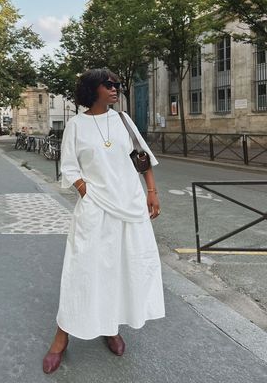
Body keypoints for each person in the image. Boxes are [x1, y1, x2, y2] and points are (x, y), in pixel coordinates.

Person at [43, 68, 165, 374]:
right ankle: (62, 336)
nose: (115, 89)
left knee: (123, 268)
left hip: (130, 208)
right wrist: (88, 193)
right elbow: (69, 168)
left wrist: (151, 191)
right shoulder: (76, 125)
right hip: (95, 210)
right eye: (108, 84)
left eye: (117, 85)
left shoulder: (123, 120)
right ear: (92, 89)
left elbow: (142, 158)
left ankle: (110, 326)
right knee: (82, 271)